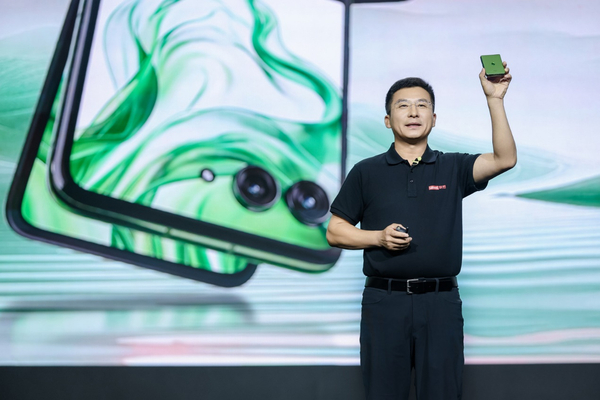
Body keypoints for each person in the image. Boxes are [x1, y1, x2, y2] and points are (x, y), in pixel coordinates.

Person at [326, 63, 516, 400]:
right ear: (388, 120)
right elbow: (335, 231)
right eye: (403, 105)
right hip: (384, 303)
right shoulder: (366, 171)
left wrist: (495, 99)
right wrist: (377, 237)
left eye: (422, 105)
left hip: (440, 303)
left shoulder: (453, 166)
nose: (413, 112)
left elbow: (505, 159)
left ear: (433, 118)